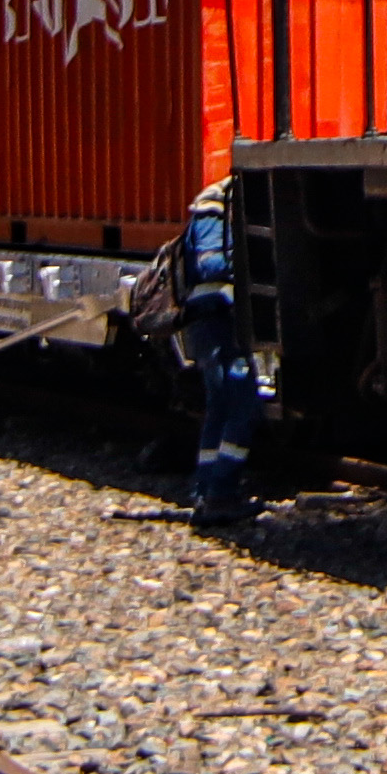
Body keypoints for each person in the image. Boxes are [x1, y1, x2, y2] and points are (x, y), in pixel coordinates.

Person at [175, 176, 264, 524]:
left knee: (220, 406)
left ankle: (206, 489)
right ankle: (221, 493)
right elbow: (210, 263)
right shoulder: (213, 206)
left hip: (215, 321)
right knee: (242, 405)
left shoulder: (216, 204)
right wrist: (250, 261)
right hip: (216, 321)